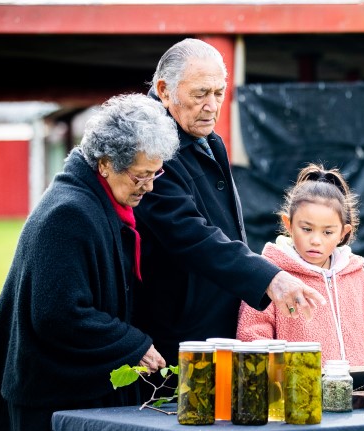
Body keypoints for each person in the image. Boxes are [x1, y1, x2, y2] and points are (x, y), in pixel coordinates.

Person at [0, 93, 179, 431]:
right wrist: (133, 345)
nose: (149, 186)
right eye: (140, 176)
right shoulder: (69, 213)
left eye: (156, 173)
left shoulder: (96, 202)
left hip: (65, 400)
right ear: (104, 164)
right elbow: (57, 313)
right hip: (51, 409)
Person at [133, 38, 324, 366]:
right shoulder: (149, 146)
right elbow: (189, 233)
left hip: (210, 324)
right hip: (177, 335)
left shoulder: (202, 136)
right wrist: (268, 277)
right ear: (164, 90)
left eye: (219, 93)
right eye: (200, 94)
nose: (212, 106)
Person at [237, 163, 364, 366]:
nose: (315, 240)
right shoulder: (271, 276)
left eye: (328, 232)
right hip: (295, 392)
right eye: (306, 229)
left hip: (356, 392)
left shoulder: (357, 276)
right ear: (288, 224)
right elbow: (252, 337)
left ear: (343, 232)